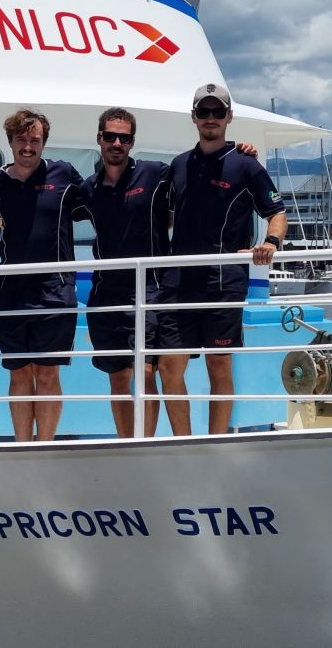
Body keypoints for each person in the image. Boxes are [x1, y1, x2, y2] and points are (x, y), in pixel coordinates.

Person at [158, 82, 287, 436]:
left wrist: (271, 242)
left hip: (223, 281)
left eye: (218, 112)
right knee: (170, 367)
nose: (210, 118)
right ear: (194, 117)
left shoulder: (246, 165)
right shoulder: (179, 165)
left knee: (218, 365)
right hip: (180, 282)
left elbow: (276, 212)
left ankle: (216, 444)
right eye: (204, 112)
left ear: (229, 117)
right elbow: (166, 216)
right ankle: (183, 444)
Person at [0, 109, 84, 441]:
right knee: (19, 374)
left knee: (48, 373)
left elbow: (102, 202)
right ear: (10, 142)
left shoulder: (64, 174)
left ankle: (45, 448)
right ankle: (23, 449)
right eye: (21, 140)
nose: (28, 146)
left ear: (44, 142)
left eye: (34, 140)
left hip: (55, 291)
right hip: (11, 293)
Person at [79, 108, 165, 438]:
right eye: (111, 136)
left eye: (124, 138)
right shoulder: (88, 189)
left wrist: (240, 152)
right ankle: (126, 444)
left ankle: (147, 447)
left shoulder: (155, 174)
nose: (117, 143)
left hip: (148, 292)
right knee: (117, 378)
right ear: (99, 138)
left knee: (145, 373)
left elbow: (195, 190)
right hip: (105, 296)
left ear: (132, 142)